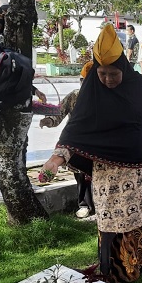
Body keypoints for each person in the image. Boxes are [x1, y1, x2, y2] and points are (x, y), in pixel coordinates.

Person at [41, 25, 142, 283]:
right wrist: (54, 161)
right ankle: (118, 271)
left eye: (112, 73)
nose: (107, 78)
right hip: (110, 173)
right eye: (102, 73)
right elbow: (75, 133)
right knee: (115, 219)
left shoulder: (136, 84)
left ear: (123, 69)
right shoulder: (91, 93)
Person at [0, 5, 47, 198]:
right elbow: (7, 75)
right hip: (5, 101)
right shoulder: (0, 42)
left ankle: (21, 182)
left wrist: (33, 90)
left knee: (20, 143)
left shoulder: (3, 40)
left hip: (13, 98)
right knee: (7, 143)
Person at [39, 62, 95, 218]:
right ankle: (84, 204)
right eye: (82, 81)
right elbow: (59, 112)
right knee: (80, 175)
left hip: (98, 143)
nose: (85, 84)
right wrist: (49, 120)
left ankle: (97, 203)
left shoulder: (104, 98)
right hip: (76, 142)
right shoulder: (74, 96)